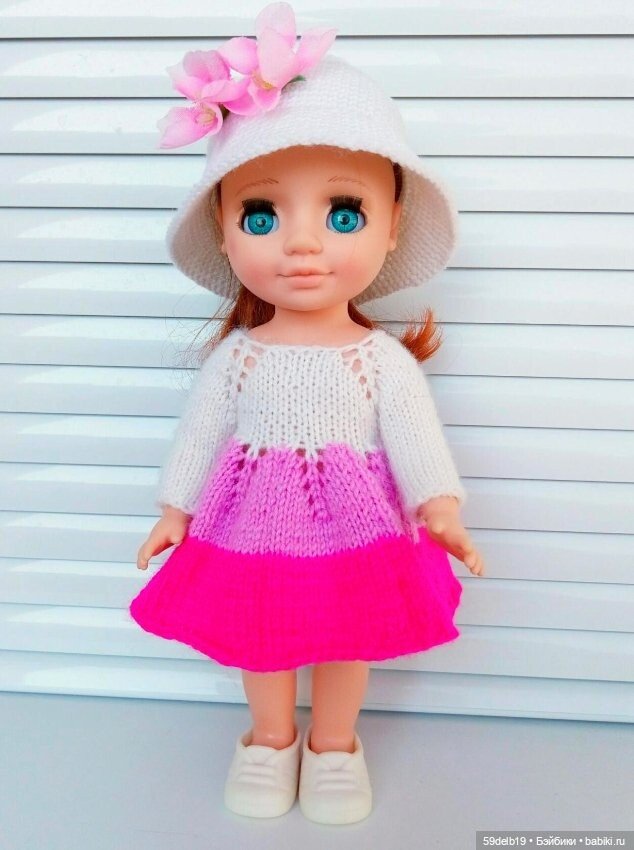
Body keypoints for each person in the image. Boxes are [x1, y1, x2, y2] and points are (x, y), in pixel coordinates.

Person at [129, 1, 486, 826]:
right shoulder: (240, 358)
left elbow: (415, 437)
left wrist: (440, 505)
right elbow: (200, 434)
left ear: (391, 229)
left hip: (359, 524)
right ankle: (269, 739)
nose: (302, 245)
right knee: (259, 632)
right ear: (225, 233)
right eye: (261, 215)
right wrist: (175, 508)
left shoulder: (378, 360)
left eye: (343, 214)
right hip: (250, 522)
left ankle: (333, 745)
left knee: (350, 632)